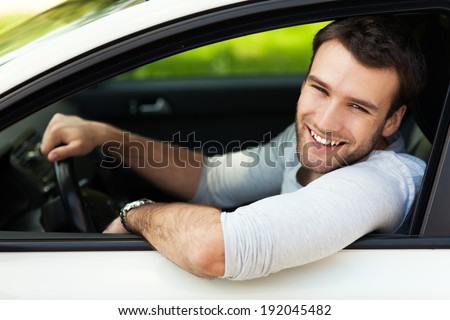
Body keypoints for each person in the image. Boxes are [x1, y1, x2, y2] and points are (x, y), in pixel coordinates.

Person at [40, 16, 427, 280]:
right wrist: (107, 137)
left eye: (357, 107)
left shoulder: (382, 182)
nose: (325, 122)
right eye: (319, 88)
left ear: (392, 120)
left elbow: (217, 249)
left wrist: (133, 215)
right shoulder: (311, 143)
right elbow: (213, 180)